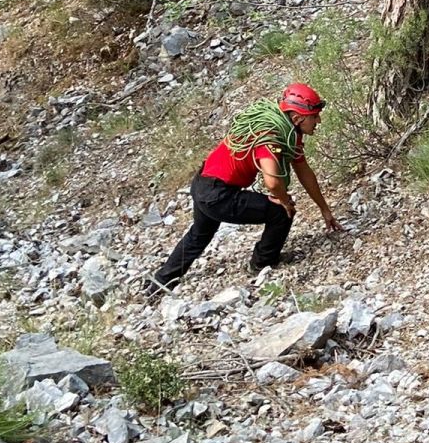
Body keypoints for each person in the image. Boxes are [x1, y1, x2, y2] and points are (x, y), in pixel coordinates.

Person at [144, 83, 343, 295]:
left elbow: (304, 171)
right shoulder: (271, 136)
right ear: (297, 119)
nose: (318, 121)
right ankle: (262, 262)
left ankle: (160, 283)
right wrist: (284, 200)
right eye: (315, 116)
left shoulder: (286, 132)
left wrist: (324, 208)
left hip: (202, 182)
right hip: (218, 194)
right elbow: (273, 183)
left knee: (199, 234)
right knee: (282, 212)